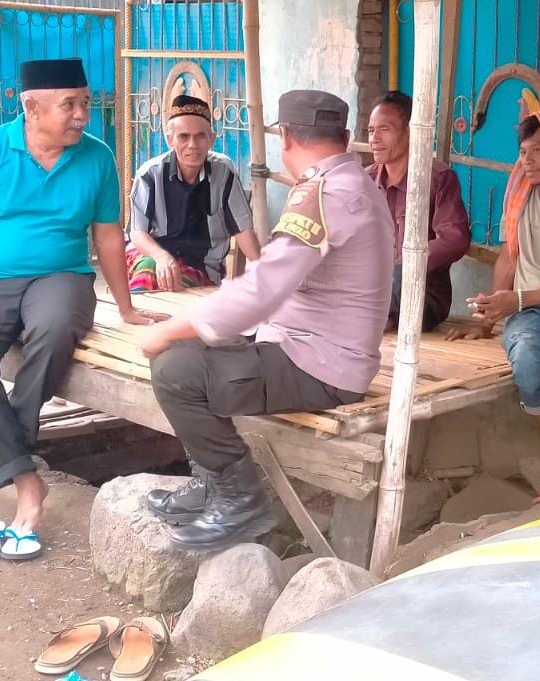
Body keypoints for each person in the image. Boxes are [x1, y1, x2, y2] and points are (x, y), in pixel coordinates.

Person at [138, 90, 394, 550]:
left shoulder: (325, 194)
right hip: (311, 347)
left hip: (320, 364)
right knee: (192, 350)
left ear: (287, 137)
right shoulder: (354, 185)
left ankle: (239, 499)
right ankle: (211, 484)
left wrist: (169, 328)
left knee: (175, 371)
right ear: (344, 137)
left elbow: (262, 289)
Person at [0, 58, 164, 561]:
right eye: (70, 104)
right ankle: (26, 478)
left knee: (57, 324)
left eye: (86, 102)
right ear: (32, 107)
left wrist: (126, 307)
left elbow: (108, 236)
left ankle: (14, 450)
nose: (83, 114)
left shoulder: (97, 157)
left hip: (62, 276)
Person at [468, 111, 540, 503]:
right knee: (526, 363)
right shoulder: (521, 196)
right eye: (523, 152)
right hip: (531, 313)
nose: (527, 161)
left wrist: (517, 300)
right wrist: (488, 316)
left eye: (538, 150)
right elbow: (509, 255)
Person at [127, 94, 261, 292]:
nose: (193, 145)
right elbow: (137, 232)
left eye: (200, 136)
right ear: (169, 140)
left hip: (200, 266)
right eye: (183, 136)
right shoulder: (150, 174)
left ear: (211, 139)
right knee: (149, 273)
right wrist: (161, 257)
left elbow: (243, 230)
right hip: (151, 255)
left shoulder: (224, 172)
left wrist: (265, 271)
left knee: (179, 283)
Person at [365, 90, 470, 332]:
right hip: (370, 288)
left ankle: (376, 319)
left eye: (384, 129)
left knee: (399, 275)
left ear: (410, 132)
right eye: (371, 130)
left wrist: (406, 264)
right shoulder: (364, 181)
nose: (374, 139)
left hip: (422, 295)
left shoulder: (437, 178)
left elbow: (455, 239)